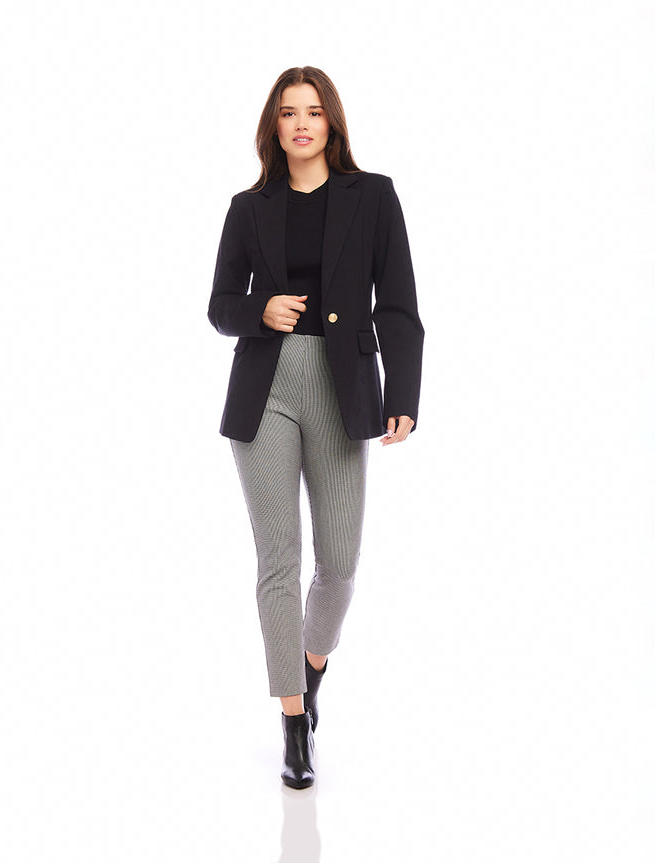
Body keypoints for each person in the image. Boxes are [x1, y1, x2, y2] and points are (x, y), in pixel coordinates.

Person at [208, 66, 424, 789]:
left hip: (342, 389)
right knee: (278, 561)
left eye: (313, 111)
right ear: (273, 127)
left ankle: (311, 663)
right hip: (264, 391)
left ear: (331, 122)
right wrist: (259, 309)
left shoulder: (374, 196)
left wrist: (403, 391)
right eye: (288, 113)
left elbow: (398, 302)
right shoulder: (248, 207)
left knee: (339, 564)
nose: (301, 123)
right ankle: (294, 722)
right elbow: (220, 305)